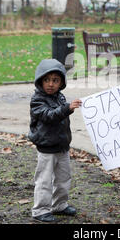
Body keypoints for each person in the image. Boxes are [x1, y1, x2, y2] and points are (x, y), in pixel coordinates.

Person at [28, 59, 82, 223]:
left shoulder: (59, 97)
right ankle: (40, 210)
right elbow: (49, 116)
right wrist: (67, 108)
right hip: (46, 148)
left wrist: (68, 107)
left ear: (61, 83)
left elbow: (61, 114)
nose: (50, 84)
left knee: (63, 178)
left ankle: (59, 205)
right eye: (46, 80)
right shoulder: (37, 100)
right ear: (40, 81)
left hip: (62, 146)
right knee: (44, 180)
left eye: (55, 80)